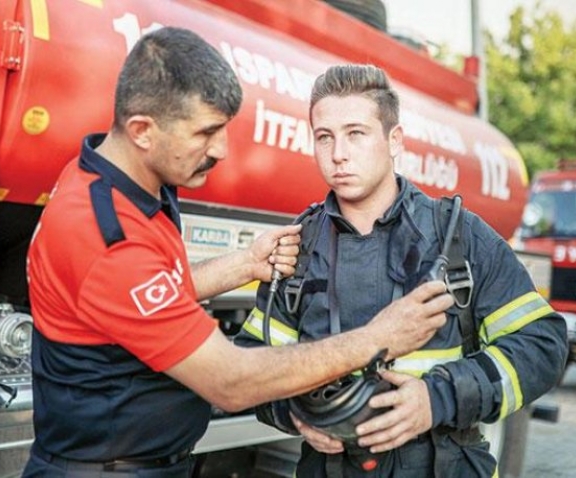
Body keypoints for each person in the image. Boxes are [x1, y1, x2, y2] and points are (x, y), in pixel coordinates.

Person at [23, 29, 454, 478]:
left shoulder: (116, 181)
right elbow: (231, 381)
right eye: (206, 132)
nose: (222, 149)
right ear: (142, 131)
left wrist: (245, 265)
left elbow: (140, 298)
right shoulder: (104, 235)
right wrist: (375, 338)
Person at [235, 64, 569, 477]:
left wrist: (438, 399)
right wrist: (294, 414)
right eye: (325, 137)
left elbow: (542, 344)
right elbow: (249, 362)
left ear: (394, 141)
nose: (339, 153)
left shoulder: (458, 236)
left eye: (356, 133)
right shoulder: (296, 249)